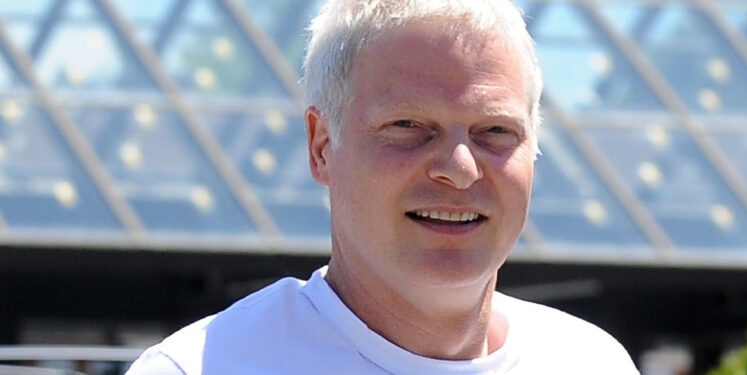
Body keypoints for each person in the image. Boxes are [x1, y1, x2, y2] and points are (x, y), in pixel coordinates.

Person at [126, 1, 640, 374]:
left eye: (495, 131)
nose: (460, 168)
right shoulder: (201, 369)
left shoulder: (591, 361)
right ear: (322, 145)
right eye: (409, 127)